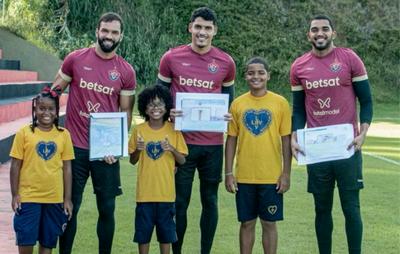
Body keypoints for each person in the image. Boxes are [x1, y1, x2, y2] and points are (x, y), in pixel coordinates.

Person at [52, 12, 137, 254]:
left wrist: (117, 147)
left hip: (105, 151)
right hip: (74, 148)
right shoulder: (75, 59)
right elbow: (53, 92)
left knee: (107, 208)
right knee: (69, 206)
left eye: (114, 32)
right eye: (105, 31)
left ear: (121, 36)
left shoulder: (125, 71)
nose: (108, 36)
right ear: (97, 31)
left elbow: (126, 113)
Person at [290, 15, 373, 254]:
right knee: (322, 209)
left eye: (325, 29)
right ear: (309, 35)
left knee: (351, 208)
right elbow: (298, 109)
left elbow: (366, 101)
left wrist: (363, 133)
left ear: (333, 33)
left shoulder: (349, 59)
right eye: (315, 30)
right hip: (317, 152)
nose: (320, 33)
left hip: (348, 148)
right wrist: (295, 136)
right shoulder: (299, 66)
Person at [157, 6, 236, 254]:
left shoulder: (226, 62)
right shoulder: (171, 58)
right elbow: (159, 98)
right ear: (190, 27)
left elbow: (228, 100)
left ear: (215, 31)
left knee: (210, 201)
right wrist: (168, 110)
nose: (202, 32)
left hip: (212, 145)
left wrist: (226, 113)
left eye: (207, 28)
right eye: (198, 26)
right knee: (179, 203)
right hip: (180, 143)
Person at [224, 57, 291, 254]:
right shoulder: (237, 104)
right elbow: (231, 140)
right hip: (244, 176)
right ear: (245, 76)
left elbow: (286, 140)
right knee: (246, 223)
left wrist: (286, 173)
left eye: (261, 72)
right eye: (251, 73)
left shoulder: (280, 103)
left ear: (268, 75)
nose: (256, 76)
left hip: (271, 177)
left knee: (270, 224)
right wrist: (228, 173)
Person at [9, 86, 74, 254]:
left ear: (57, 110)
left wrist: (67, 199)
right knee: (26, 241)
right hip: (28, 197)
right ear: (35, 109)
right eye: (42, 108)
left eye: (51, 109)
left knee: (48, 243)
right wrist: (15, 194)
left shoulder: (64, 135)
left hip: (54, 198)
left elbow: (67, 167)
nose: (46, 112)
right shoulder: (24, 133)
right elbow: (15, 165)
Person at [128, 85, 188, 254]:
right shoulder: (139, 130)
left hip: (166, 195)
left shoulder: (173, 130)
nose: (156, 108)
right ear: (144, 108)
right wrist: (138, 149)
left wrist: (171, 149)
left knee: (166, 236)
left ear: (167, 106)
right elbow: (133, 161)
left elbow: (182, 160)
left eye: (160, 104)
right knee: (143, 236)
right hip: (144, 195)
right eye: (151, 104)